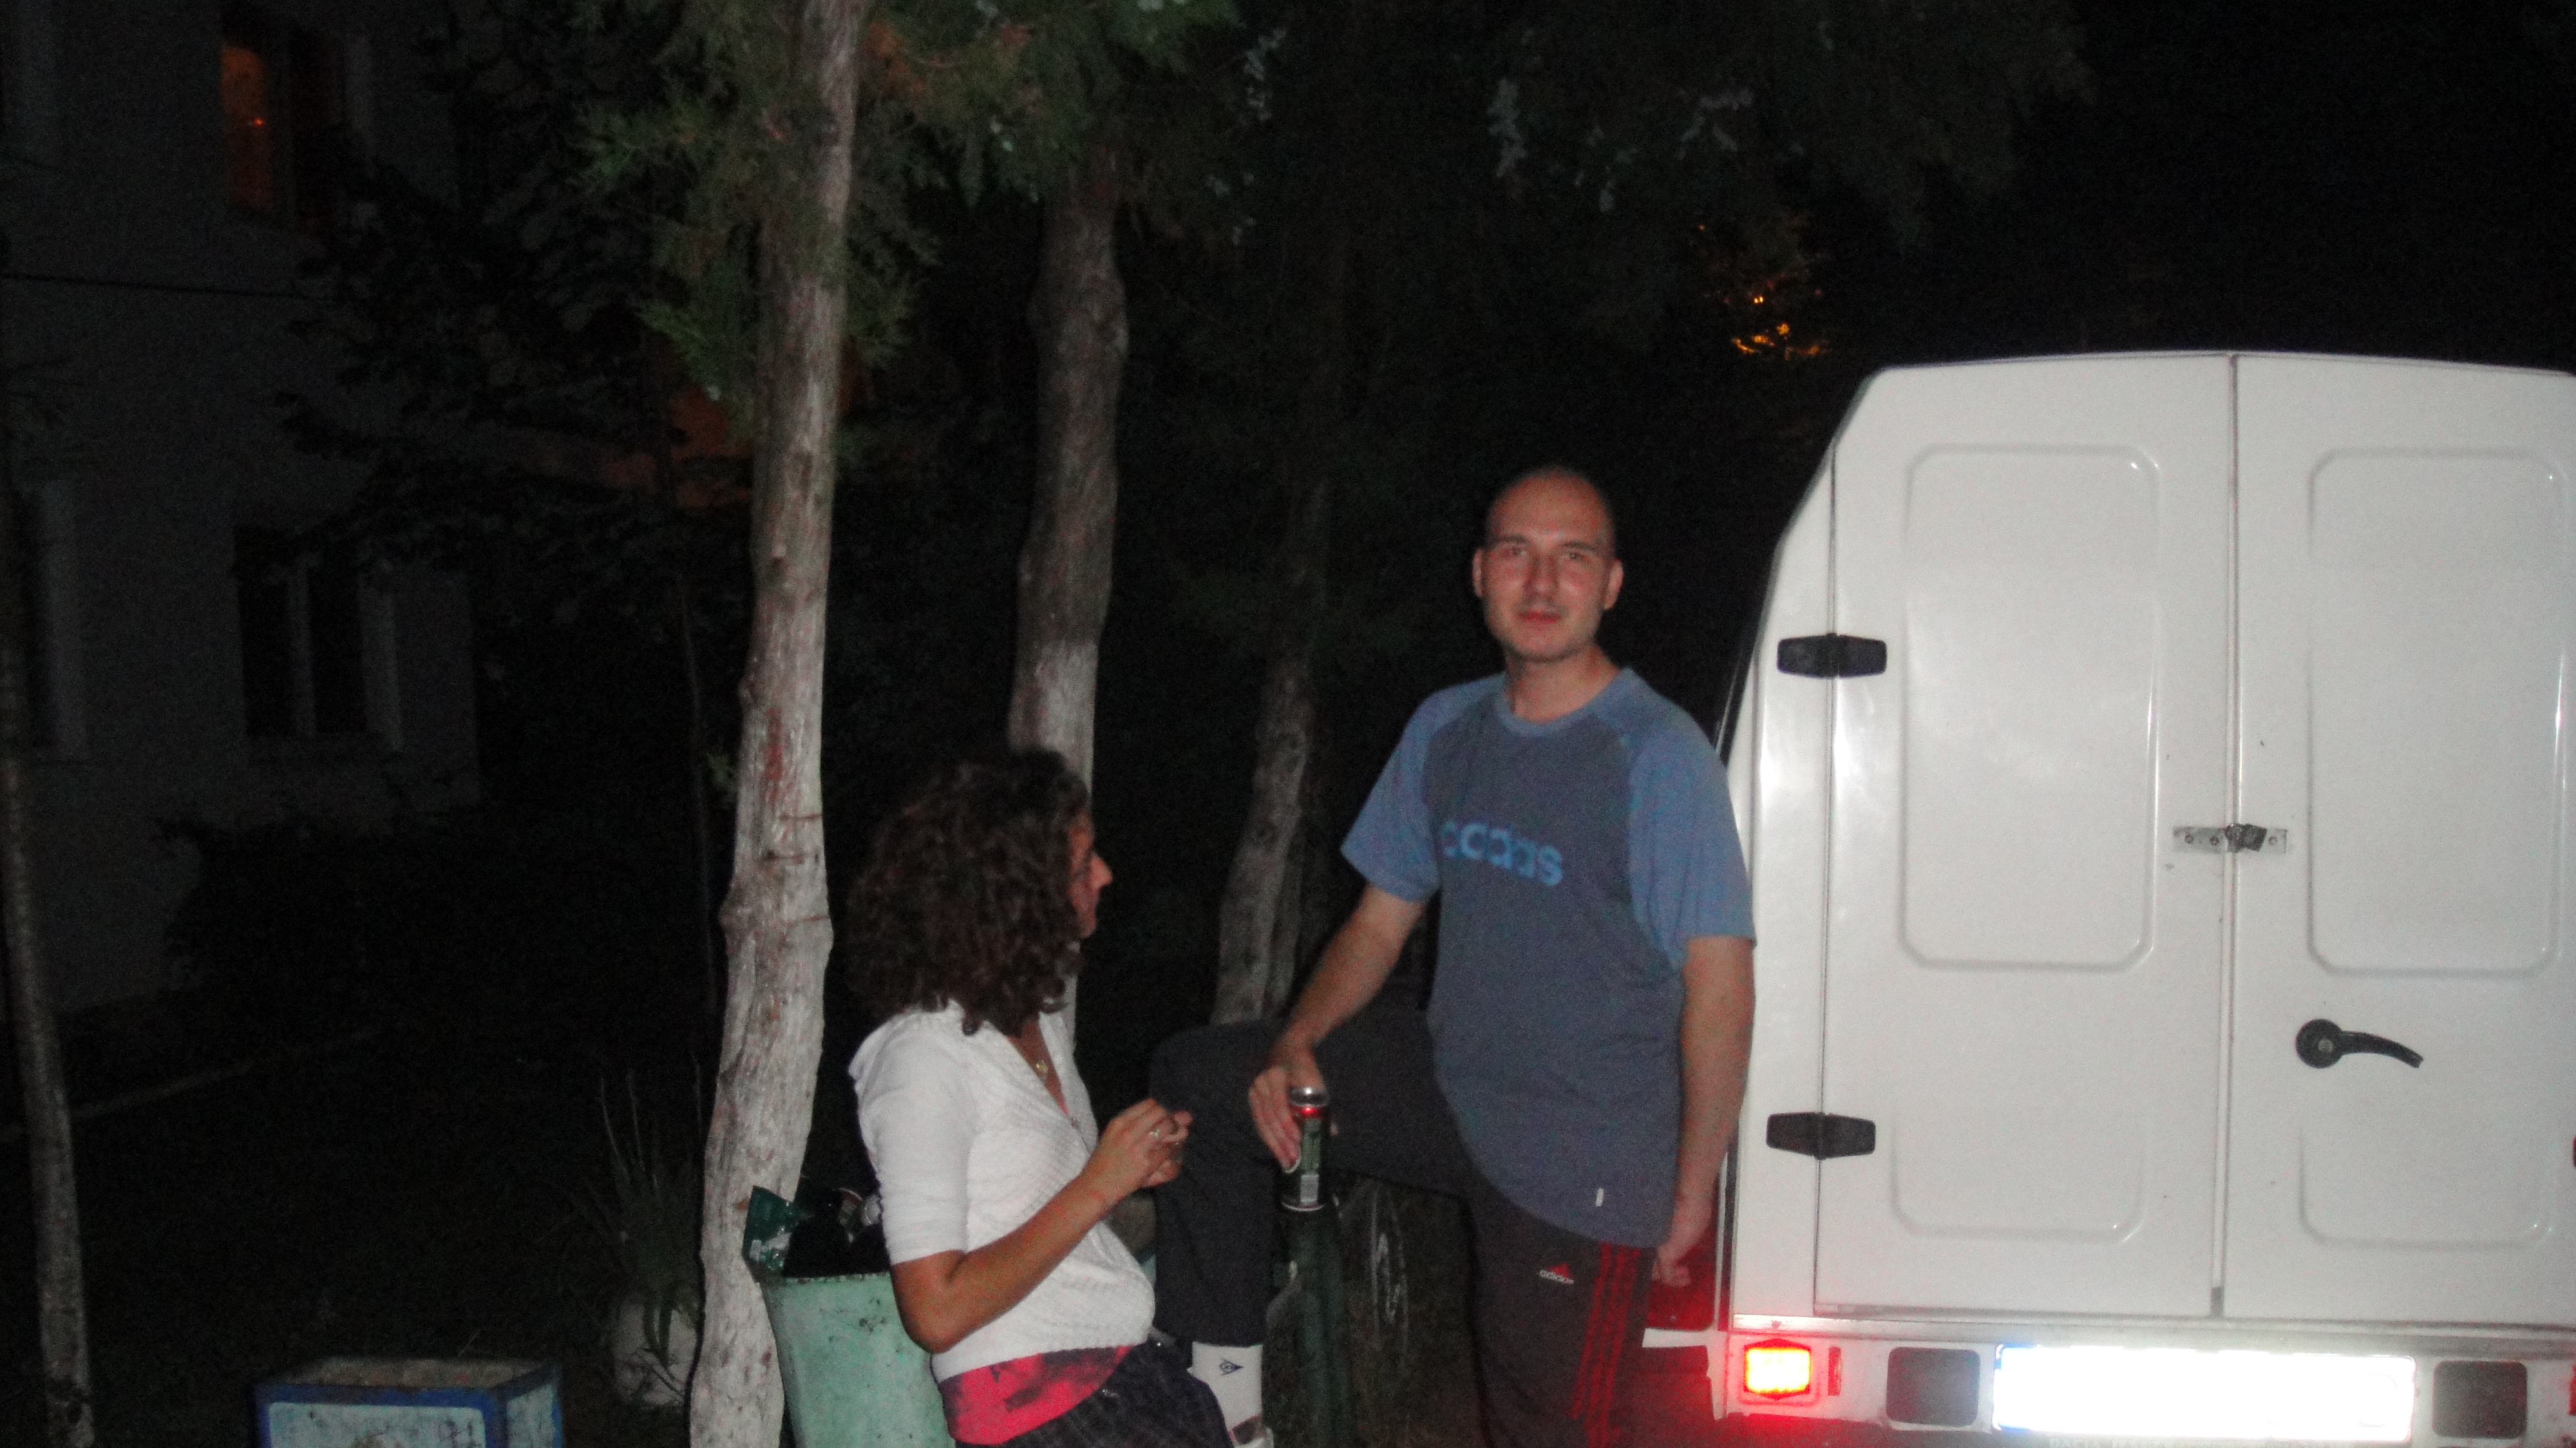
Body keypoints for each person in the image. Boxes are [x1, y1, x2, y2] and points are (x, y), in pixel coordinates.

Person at [1151, 467, 1756, 1448]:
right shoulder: (1448, 727)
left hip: (1582, 1148)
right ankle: (1228, 1407)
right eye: (1517, 552)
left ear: (1610, 585)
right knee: (1202, 1080)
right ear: (1480, 573)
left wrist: (1692, 1190)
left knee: (1543, 1430)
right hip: (1450, 1084)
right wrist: (1298, 1042)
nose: (1542, 582)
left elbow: (1720, 991)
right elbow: (1377, 924)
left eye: (1573, 557)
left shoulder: (1654, 753)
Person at [851, 752, 1231, 1448]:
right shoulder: (921, 1060)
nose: (1105, 875)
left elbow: (1036, 1216)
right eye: (1082, 865)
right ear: (1014, 894)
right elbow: (935, 1311)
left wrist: (1130, 1170)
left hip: (1115, 1372)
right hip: (1035, 1410)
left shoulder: (1034, 1022)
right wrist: (1099, 1183)